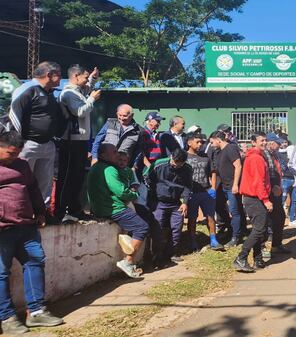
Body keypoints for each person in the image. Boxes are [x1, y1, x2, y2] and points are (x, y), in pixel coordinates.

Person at [0, 131, 64, 334]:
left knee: (35, 262)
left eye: (18, 153)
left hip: (26, 226)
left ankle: (36, 312)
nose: (14, 157)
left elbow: (33, 188)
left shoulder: (21, 165)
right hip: (3, 229)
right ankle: (7, 318)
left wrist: (40, 211)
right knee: (1, 273)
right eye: (10, 153)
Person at [8, 61, 66, 213]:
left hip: (47, 144)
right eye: (59, 75)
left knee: (45, 181)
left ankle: (41, 211)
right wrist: (18, 141)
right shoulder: (27, 89)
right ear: (49, 75)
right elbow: (14, 114)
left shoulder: (50, 92)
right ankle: (20, 210)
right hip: (28, 144)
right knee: (23, 178)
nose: (61, 78)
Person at [88, 143, 148, 278]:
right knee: (142, 227)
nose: (117, 154)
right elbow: (121, 191)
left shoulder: (96, 167)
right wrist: (135, 195)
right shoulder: (109, 169)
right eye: (114, 152)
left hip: (100, 207)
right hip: (113, 208)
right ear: (103, 155)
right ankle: (128, 261)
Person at [55, 64, 100, 223]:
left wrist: (93, 78)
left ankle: (75, 209)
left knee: (78, 177)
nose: (87, 80)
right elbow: (80, 111)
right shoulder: (68, 94)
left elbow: (88, 89)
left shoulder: (79, 91)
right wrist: (92, 99)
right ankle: (60, 212)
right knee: (66, 178)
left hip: (80, 141)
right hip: (70, 141)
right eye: (85, 77)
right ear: (76, 77)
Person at [233, 132, 272, 273]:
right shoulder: (256, 158)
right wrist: (266, 200)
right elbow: (258, 182)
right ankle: (241, 258)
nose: (264, 143)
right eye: (262, 140)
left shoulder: (257, 156)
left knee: (259, 229)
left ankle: (257, 258)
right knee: (259, 230)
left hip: (254, 198)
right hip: (255, 199)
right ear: (253, 142)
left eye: (265, 140)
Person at [147, 149, 193, 262]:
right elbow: (146, 178)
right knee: (158, 228)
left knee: (176, 228)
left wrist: (185, 202)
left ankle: (172, 253)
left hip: (176, 203)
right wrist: (153, 195)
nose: (176, 165)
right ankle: (157, 254)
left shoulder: (187, 169)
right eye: (174, 162)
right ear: (171, 156)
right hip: (159, 202)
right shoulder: (158, 164)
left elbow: (188, 186)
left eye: (179, 164)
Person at [185, 134, 224, 252]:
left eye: (201, 142)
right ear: (189, 143)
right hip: (191, 193)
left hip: (205, 192)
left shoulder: (205, 156)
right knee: (192, 218)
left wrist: (213, 188)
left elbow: (213, 172)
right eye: (197, 142)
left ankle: (213, 240)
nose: (200, 144)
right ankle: (192, 241)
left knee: (210, 216)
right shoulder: (185, 156)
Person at [210, 130, 244, 247]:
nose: (211, 145)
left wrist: (235, 184)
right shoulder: (219, 152)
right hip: (223, 186)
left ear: (218, 140)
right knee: (219, 207)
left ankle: (236, 236)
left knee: (234, 211)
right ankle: (230, 230)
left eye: (212, 142)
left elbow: (238, 166)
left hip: (231, 186)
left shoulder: (231, 148)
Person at [264, 133, 289, 256]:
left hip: (277, 190)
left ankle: (276, 245)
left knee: (280, 217)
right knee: (268, 221)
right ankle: (265, 248)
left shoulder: (276, 155)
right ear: (270, 143)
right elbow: (267, 173)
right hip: (269, 192)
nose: (279, 145)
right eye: (277, 143)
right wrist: (273, 187)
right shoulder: (265, 155)